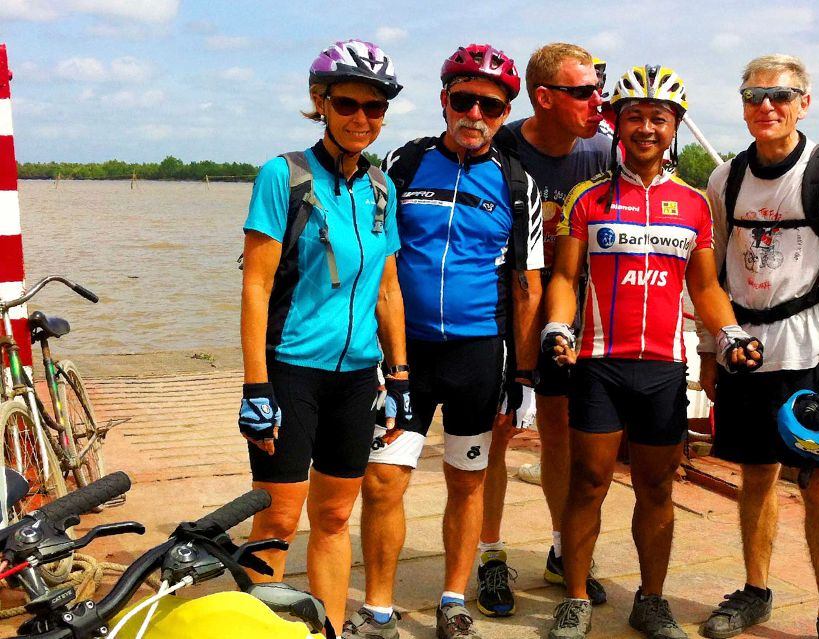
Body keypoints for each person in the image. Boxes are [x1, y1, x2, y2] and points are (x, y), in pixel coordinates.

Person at [543, 65, 762, 639]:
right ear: (616, 124)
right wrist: (556, 327)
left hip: (664, 368)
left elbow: (706, 287)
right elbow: (564, 276)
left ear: (675, 127)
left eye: (658, 119)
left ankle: (652, 599)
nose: (645, 128)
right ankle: (574, 597)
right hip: (598, 363)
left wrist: (730, 336)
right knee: (588, 481)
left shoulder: (693, 204)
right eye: (634, 117)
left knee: (657, 487)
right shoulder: (587, 197)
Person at [344, 43, 543, 639]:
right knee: (384, 479)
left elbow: (527, 286)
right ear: (444, 101)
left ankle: (453, 600)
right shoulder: (403, 164)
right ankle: (378, 609)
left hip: (478, 354)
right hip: (404, 354)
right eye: (464, 100)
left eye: (491, 106)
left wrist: (525, 378)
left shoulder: (518, 184)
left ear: (505, 114)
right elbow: (370, 254)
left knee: (467, 479)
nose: (475, 114)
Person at [695, 54, 819, 639]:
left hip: (815, 350)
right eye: (753, 96)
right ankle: (755, 590)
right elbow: (711, 274)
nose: (766, 107)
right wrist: (709, 350)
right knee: (755, 474)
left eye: (780, 96)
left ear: (804, 104)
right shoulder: (725, 180)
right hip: (746, 351)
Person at [238, 39, 407, 633]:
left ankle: (330, 629)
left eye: (375, 107)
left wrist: (399, 375)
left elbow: (388, 290)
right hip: (291, 372)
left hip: (357, 377)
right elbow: (256, 287)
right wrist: (256, 386)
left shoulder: (381, 187)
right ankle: (260, 629)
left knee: (335, 517)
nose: (362, 118)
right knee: (278, 521)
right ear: (321, 102)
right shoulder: (284, 176)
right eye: (348, 104)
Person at [477, 42, 611, 617]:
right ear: (545, 98)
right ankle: (488, 553)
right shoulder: (501, 147)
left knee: (559, 429)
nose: (597, 101)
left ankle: (561, 550)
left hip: (567, 313)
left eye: (598, 88)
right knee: (495, 429)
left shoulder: (603, 151)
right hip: (503, 309)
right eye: (584, 91)